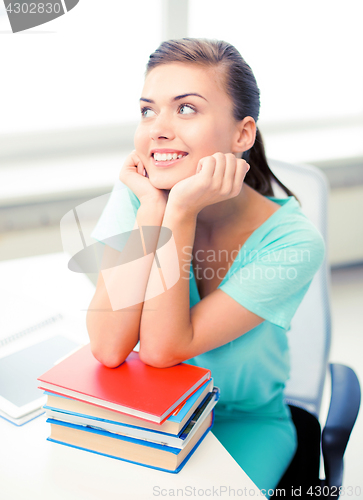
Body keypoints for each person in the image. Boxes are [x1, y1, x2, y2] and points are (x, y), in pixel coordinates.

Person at [87, 38, 325, 495]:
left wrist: (177, 214)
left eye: (187, 109)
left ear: (243, 135)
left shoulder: (293, 241)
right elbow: (108, 345)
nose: (157, 129)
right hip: (151, 414)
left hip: (241, 422)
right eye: (147, 110)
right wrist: (151, 213)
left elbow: (162, 349)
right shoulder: (140, 197)